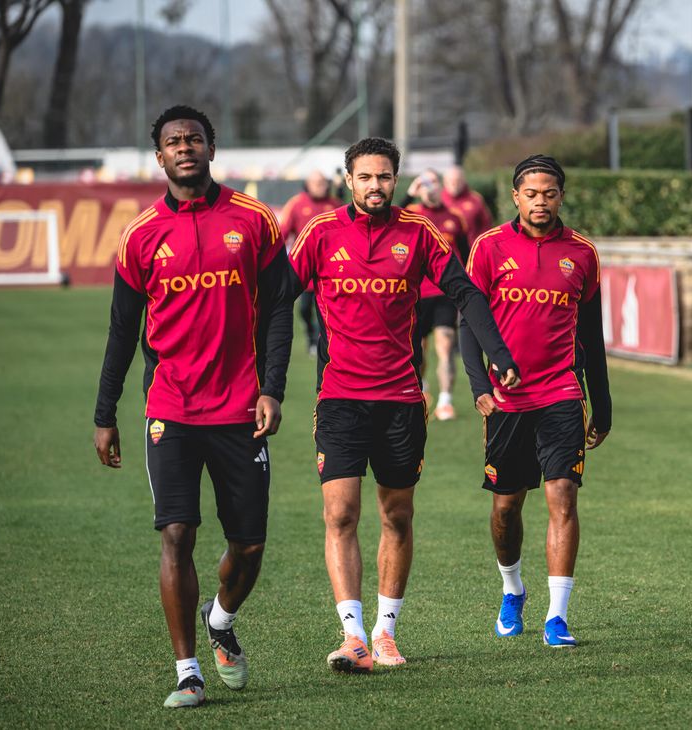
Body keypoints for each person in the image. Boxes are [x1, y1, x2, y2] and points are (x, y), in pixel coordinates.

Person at [287, 137, 520, 673]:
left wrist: (497, 354)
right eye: (366, 177)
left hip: (399, 400)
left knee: (397, 515)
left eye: (385, 177)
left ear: (397, 180)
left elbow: (466, 292)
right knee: (340, 513)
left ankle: (386, 633)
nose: (376, 186)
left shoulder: (419, 233)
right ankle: (352, 636)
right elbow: (277, 294)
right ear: (349, 180)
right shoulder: (321, 233)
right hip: (341, 397)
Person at [93, 105, 294, 707]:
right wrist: (106, 414)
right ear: (159, 156)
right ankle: (187, 671)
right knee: (176, 533)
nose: (185, 148)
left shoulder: (254, 220)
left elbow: (281, 308)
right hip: (171, 409)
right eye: (174, 141)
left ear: (212, 147)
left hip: (240, 408)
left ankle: (221, 621)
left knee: (250, 546)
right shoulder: (140, 234)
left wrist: (272, 387)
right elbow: (122, 332)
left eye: (195, 139)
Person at [461, 154, 612, 647]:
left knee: (562, 497)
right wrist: (479, 386)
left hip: (562, 394)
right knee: (506, 507)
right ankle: (512, 590)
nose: (540, 201)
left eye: (549, 193)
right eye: (531, 193)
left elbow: (591, 333)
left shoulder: (582, 254)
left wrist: (602, 402)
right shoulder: (488, 248)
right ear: (515, 197)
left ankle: (557, 616)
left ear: (561, 197)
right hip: (506, 400)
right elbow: (469, 320)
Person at [404, 168, 470, 420]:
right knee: (417, 351)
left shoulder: (455, 217)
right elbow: (383, 220)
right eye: (423, 184)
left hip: (444, 294)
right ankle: (422, 390)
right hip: (415, 295)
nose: (428, 188)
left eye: (432, 183)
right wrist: (408, 196)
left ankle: (445, 401)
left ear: (439, 186)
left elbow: (467, 255)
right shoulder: (410, 215)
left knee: (445, 345)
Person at [279, 169, 343, 357]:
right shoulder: (296, 204)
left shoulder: (335, 204)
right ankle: (309, 333)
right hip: (306, 267)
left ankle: (326, 343)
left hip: (332, 269)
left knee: (330, 310)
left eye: (323, 182)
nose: (320, 186)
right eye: (316, 183)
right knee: (305, 308)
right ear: (308, 184)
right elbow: (283, 233)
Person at [442, 164, 493, 244]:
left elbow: (486, 225)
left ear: (463, 180)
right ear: (444, 181)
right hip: (445, 252)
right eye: (451, 181)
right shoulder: (438, 200)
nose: (454, 184)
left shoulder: (475, 199)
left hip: (472, 250)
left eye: (457, 180)